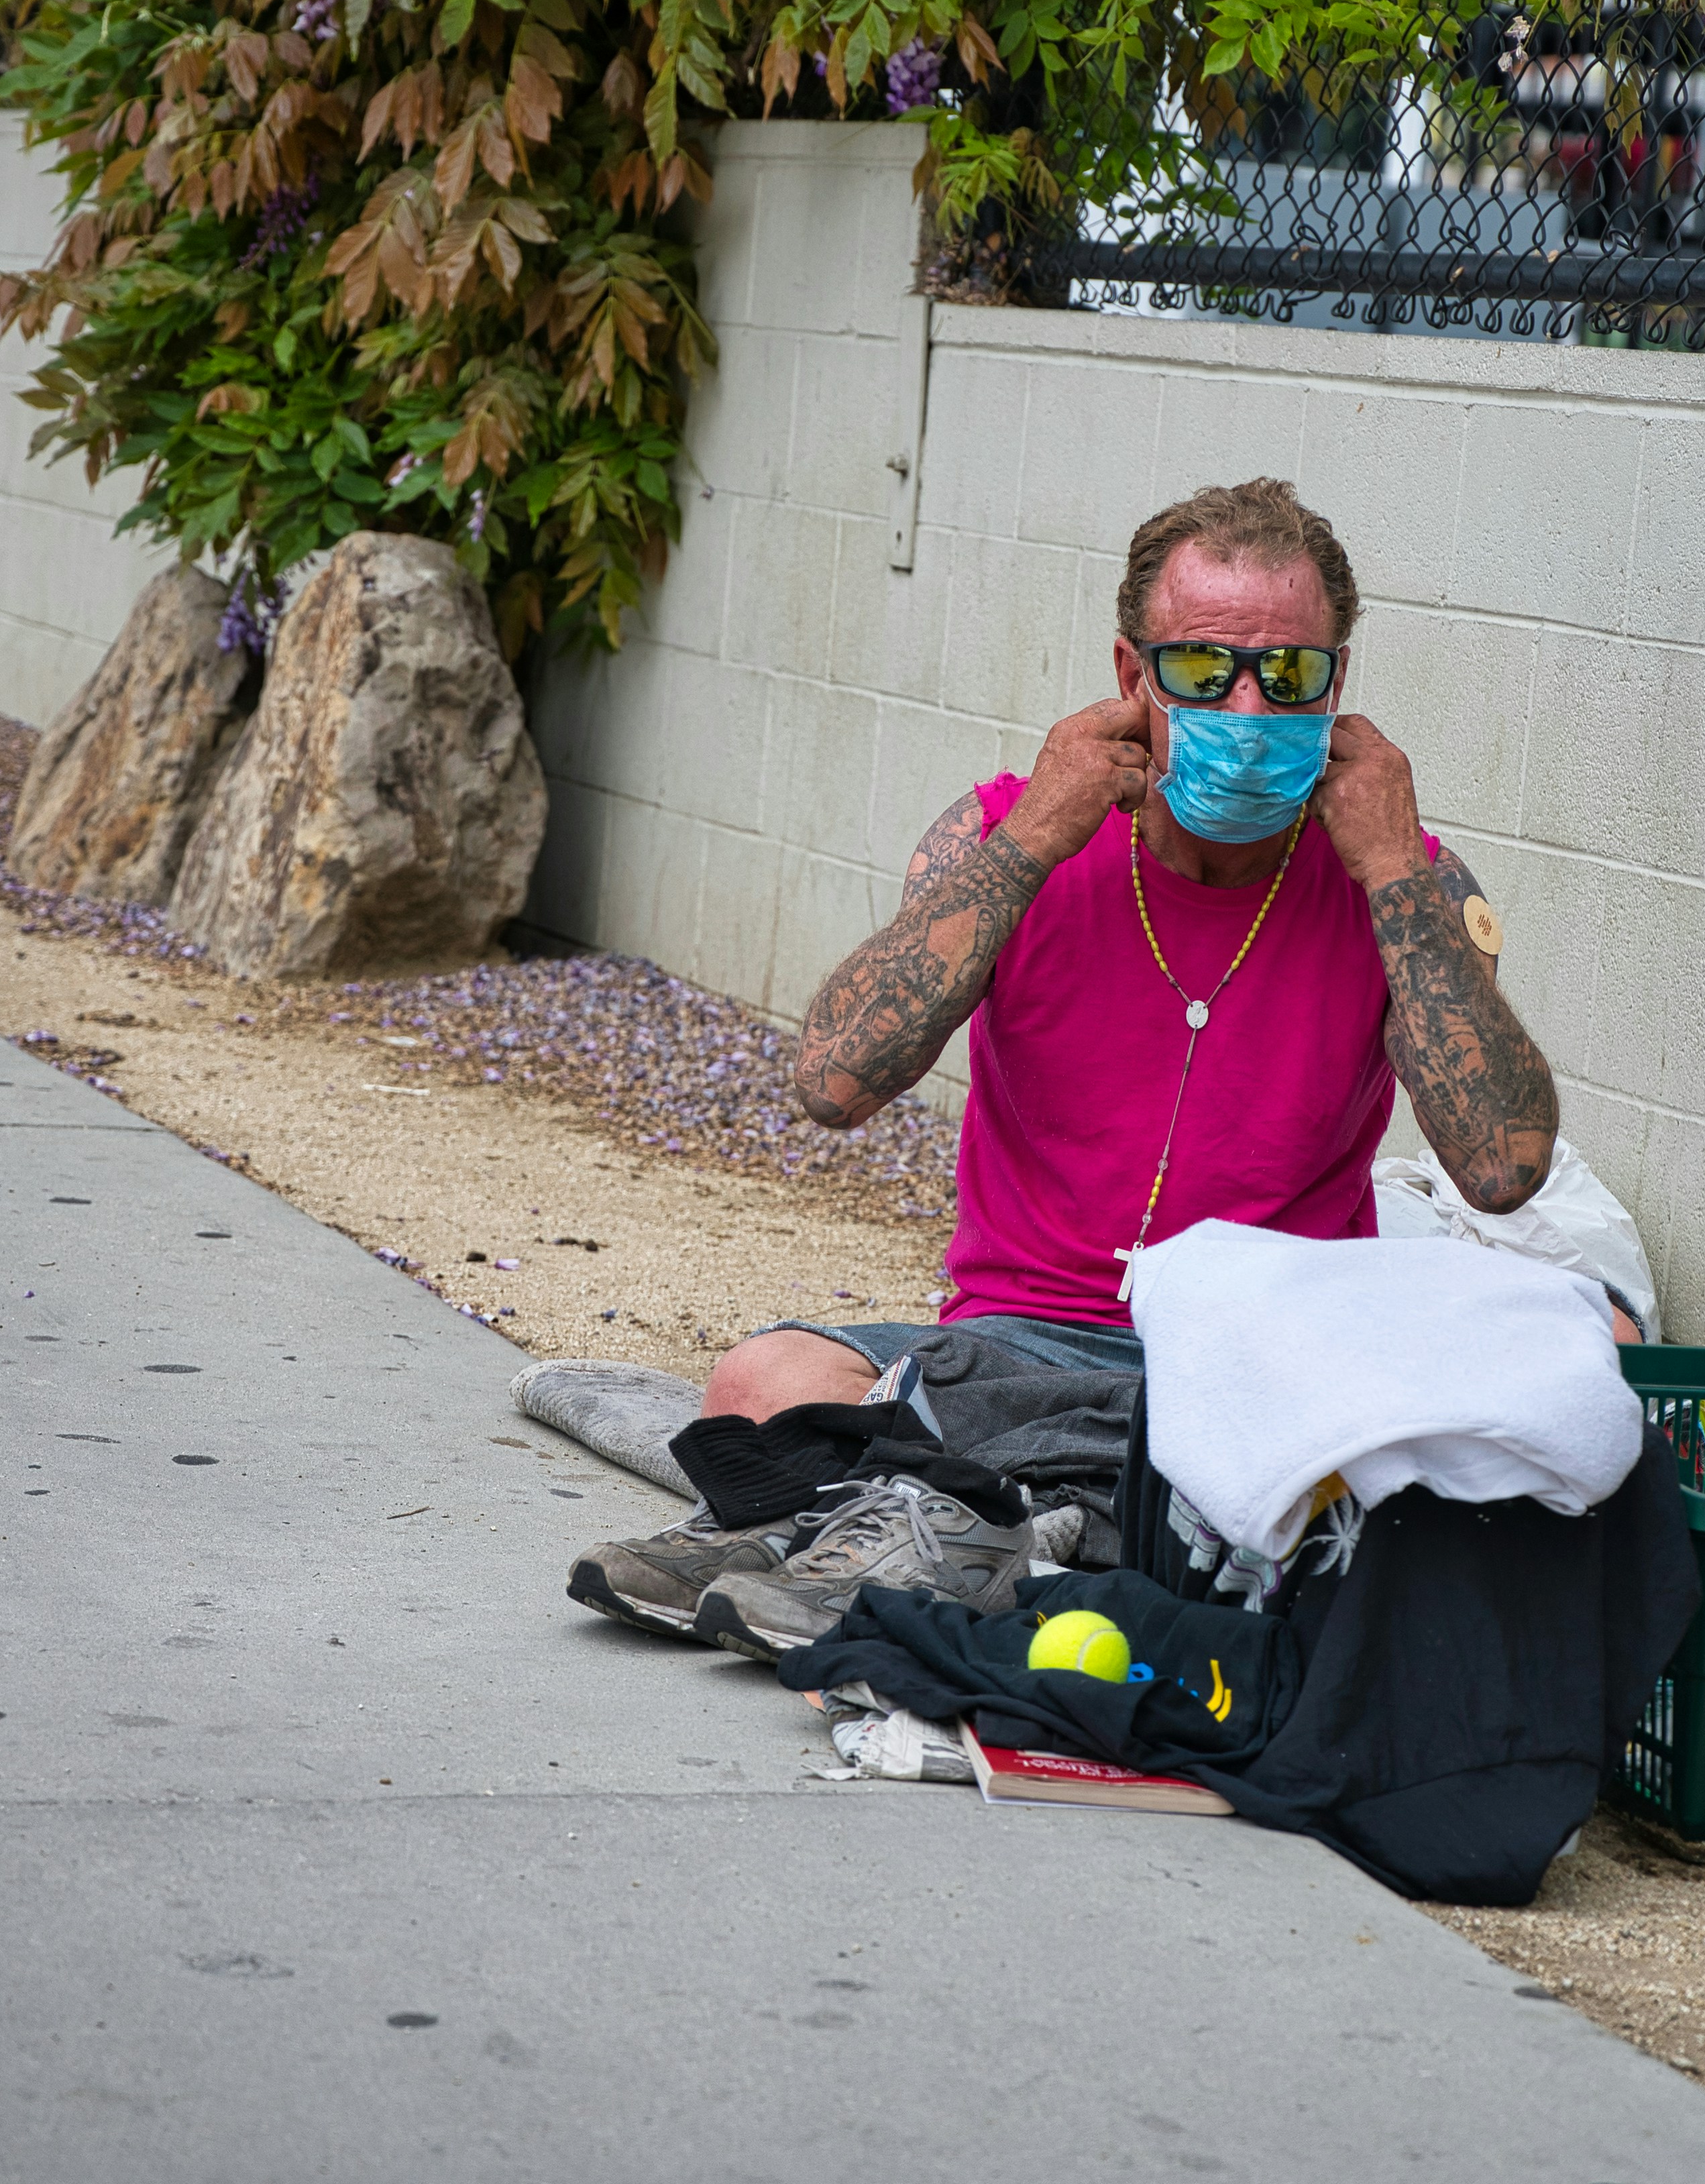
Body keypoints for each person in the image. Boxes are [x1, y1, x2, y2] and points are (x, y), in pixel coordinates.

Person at [569, 477, 1604, 1651]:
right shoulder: (1009, 831)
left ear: (1339, 686)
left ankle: (921, 1530)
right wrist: (1031, 845)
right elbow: (833, 1084)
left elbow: (1505, 1170)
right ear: (1133, 678)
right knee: (763, 1385)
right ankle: (1021, 1534)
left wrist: (1391, 875)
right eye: (1206, 671)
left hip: (1253, 1358)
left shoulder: (1403, 881)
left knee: (1368, 1474)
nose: (1253, 705)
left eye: (1293, 674)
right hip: (1016, 1345)